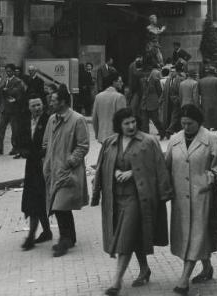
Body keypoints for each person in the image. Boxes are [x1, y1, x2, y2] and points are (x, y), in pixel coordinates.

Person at [91, 109, 173, 295]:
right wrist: (114, 172)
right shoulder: (110, 142)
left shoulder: (148, 141)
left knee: (125, 237)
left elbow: (158, 168)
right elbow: (101, 167)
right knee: (134, 235)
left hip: (138, 198)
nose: (131, 126)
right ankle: (144, 269)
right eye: (126, 123)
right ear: (119, 125)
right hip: (116, 198)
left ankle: (116, 282)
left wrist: (133, 173)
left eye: (133, 122)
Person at [166, 104, 217, 294]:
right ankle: (207, 267)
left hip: (202, 197)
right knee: (193, 236)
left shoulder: (211, 139)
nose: (186, 127)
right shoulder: (174, 140)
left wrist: (212, 177)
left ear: (199, 122)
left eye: (190, 124)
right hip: (180, 199)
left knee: (196, 235)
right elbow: (167, 166)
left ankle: (184, 279)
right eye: (183, 123)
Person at [42, 84, 90, 257]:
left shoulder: (77, 119)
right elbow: (46, 142)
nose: (51, 102)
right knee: (60, 205)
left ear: (63, 101)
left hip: (68, 171)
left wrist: (70, 161)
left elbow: (83, 145)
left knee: (60, 204)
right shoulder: (51, 119)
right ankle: (71, 237)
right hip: (53, 170)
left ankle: (64, 240)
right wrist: (46, 160)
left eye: (54, 100)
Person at [19, 96, 52, 250]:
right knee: (36, 198)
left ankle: (31, 236)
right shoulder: (25, 121)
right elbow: (19, 139)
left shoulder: (49, 120)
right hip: (31, 165)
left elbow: (50, 142)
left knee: (38, 199)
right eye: (33, 105)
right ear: (29, 107)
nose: (37, 108)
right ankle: (46, 231)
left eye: (39, 105)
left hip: (44, 163)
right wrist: (23, 150)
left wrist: (41, 154)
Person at [0, 63, 27, 156]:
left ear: (14, 71)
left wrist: (7, 90)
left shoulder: (18, 81)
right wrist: (0, 86)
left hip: (14, 109)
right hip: (4, 109)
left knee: (15, 130)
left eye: (10, 71)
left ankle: (15, 148)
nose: (8, 73)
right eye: (7, 71)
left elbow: (18, 91)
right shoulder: (4, 80)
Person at [92, 71, 126, 143]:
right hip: (115, 137)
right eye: (120, 81)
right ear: (114, 82)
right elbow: (123, 119)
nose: (122, 83)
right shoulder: (120, 97)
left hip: (102, 136)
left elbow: (94, 118)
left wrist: (97, 133)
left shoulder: (98, 96)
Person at [198, 66, 217, 140]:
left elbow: (199, 92)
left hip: (205, 104)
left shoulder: (201, 81)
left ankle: (205, 137)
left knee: (206, 122)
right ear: (213, 73)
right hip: (216, 104)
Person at [140, 64, 166, 138]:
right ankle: (146, 137)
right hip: (144, 104)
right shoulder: (141, 80)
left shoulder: (155, 80)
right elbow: (141, 92)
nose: (145, 74)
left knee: (156, 120)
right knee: (144, 122)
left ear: (150, 72)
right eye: (144, 72)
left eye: (147, 72)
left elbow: (160, 92)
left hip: (153, 104)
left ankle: (162, 133)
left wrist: (159, 101)